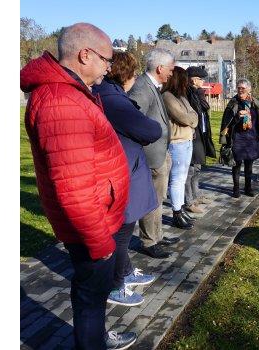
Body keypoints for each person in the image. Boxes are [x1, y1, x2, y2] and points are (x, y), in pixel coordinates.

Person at [20, 23, 137, 350]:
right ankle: (93, 342)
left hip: (97, 220)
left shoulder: (69, 93)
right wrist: (101, 244)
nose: (109, 67)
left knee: (93, 294)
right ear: (85, 55)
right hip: (91, 229)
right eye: (106, 59)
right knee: (90, 296)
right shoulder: (62, 102)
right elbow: (73, 191)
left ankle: (97, 337)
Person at [92, 51, 161, 307]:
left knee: (125, 225)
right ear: (128, 75)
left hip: (125, 167)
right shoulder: (113, 99)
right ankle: (115, 285)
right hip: (123, 171)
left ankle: (125, 272)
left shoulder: (109, 95)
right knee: (123, 230)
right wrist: (150, 127)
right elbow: (148, 129)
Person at [128, 48, 182, 259]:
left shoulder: (152, 86)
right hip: (151, 157)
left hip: (159, 154)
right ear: (160, 68)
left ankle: (157, 235)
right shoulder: (142, 88)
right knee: (152, 200)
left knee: (158, 199)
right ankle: (149, 241)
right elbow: (133, 120)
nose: (171, 73)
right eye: (170, 69)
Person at [162, 66, 199, 227]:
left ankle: (181, 208)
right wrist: (190, 119)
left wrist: (190, 119)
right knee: (177, 179)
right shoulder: (167, 96)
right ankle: (177, 212)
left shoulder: (182, 98)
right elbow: (184, 117)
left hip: (188, 140)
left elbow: (194, 114)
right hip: (177, 142)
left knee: (183, 177)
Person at [220, 79, 259, 198]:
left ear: (249, 89)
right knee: (236, 164)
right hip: (238, 138)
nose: (240, 90)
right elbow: (227, 122)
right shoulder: (233, 103)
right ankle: (236, 189)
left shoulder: (255, 103)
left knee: (249, 166)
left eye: (243, 88)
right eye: (238, 88)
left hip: (251, 138)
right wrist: (237, 117)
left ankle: (248, 188)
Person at [183, 66, 216, 214]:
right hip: (192, 135)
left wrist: (200, 93)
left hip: (201, 134)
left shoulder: (197, 92)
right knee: (190, 169)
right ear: (194, 79)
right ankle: (188, 201)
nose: (204, 81)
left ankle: (196, 196)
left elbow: (204, 108)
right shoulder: (187, 92)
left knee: (197, 168)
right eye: (202, 79)